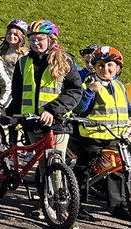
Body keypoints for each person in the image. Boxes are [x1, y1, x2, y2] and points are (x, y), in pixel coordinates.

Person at [6, 20, 83, 183]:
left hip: (58, 122)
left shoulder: (64, 61)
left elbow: (75, 91)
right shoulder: (23, 62)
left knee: (56, 164)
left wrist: (53, 110)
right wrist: (12, 114)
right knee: (42, 165)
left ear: (51, 39)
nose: (35, 43)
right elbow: (18, 92)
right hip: (33, 121)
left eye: (40, 39)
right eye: (32, 39)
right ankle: (45, 203)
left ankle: (60, 205)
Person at [73, 46, 131, 218]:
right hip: (93, 136)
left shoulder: (118, 86)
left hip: (115, 136)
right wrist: (90, 91)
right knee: (85, 168)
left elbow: (126, 107)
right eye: (101, 66)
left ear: (118, 68)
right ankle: (77, 203)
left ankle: (117, 205)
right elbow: (81, 108)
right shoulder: (89, 84)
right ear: (95, 67)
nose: (105, 69)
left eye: (110, 65)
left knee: (118, 169)